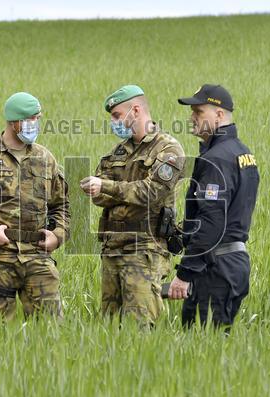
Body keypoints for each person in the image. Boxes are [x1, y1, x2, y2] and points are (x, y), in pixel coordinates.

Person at [80, 85, 185, 327]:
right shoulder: (117, 152)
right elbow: (98, 197)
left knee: (140, 326)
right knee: (110, 326)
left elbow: (152, 192)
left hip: (145, 249)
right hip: (112, 247)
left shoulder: (168, 149)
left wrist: (109, 187)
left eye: (117, 115)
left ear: (135, 110)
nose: (113, 122)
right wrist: (108, 189)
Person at [167, 85, 259, 329]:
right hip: (232, 262)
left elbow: (212, 222)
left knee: (201, 348)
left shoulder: (216, 158)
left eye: (198, 112)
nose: (192, 118)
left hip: (214, 269)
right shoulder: (242, 153)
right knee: (213, 347)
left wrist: (186, 273)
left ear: (219, 115)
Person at [0, 92, 70, 319]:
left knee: (50, 329)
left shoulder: (45, 158)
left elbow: (62, 204)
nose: (35, 124)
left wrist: (58, 235)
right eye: (30, 119)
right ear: (13, 121)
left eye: (38, 118)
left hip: (37, 256)